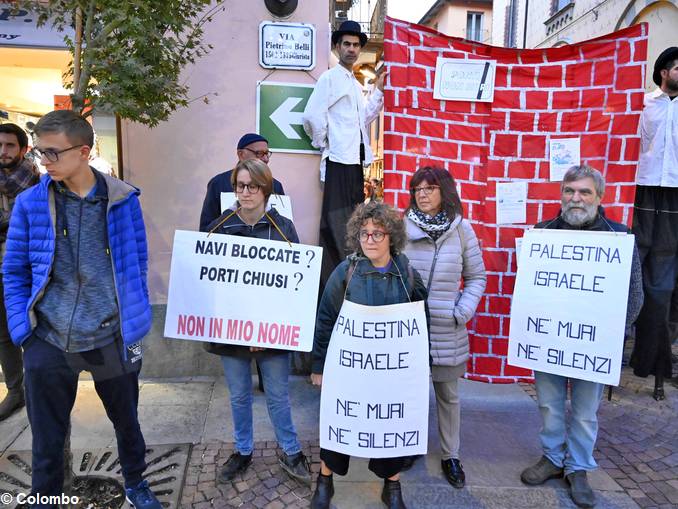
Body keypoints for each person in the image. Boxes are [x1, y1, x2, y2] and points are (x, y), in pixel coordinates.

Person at [3, 110, 162, 508]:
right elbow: (15, 269)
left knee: (126, 422)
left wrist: (132, 317)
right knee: (46, 435)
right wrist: (25, 330)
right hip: (49, 338)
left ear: (84, 152)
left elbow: (136, 262)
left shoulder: (123, 200)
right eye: (40, 152)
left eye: (53, 153)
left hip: (111, 335)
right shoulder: (29, 203)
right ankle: (46, 498)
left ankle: (136, 483)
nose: (44, 162)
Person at [520, 165, 643, 508]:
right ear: (561, 195)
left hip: (592, 344)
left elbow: (635, 294)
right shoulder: (541, 234)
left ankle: (578, 468)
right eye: (569, 191)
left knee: (586, 411)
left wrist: (610, 336)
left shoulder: (619, 238)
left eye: (584, 192)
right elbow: (531, 287)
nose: (576, 198)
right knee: (549, 404)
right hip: (549, 341)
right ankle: (552, 458)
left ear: (599, 197)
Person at [310, 201, 428, 509]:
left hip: (392, 372)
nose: (370, 240)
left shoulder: (408, 275)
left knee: (391, 425)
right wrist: (318, 367)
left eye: (378, 233)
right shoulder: (346, 272)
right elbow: (325, 319)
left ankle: (392, 485)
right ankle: (325, 480)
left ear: (392, 237)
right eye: (364, 233)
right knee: (341, 420)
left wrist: (420, 367)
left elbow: (420, 324)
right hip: (350, 370)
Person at [201, 158, 311, 486]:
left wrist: (264, 328)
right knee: (238, 395)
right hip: (231, 332)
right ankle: (242, 450)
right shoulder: (220, 226)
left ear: (266, 189)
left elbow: (295, 283)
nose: (246, 192)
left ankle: (290, 451)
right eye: (240, 185)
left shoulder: (283, 228)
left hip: (272, 332)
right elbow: (209, 279)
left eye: (253, 186)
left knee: (278, 395)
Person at [403, 167, 486, 487]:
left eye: (429, 188)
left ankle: (451, 455)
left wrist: (462, 310)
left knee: (448, 396)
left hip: (447, 327)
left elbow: (477, 276)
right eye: (417, 189)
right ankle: (410, 446)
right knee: (411, 392)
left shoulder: (462, 229)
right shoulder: (402, 226)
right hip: (410, 327)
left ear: (444, 191)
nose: (422, 194)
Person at [302, 20, 386, 291]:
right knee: (335, 228)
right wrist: (326, 143)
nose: (351, 49)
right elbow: (312, 117)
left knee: (352, 227)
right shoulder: (330, 78)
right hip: (339, 163)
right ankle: (330, 290)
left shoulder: (353, 82)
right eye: (346, 44)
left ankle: (349, 285)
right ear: (337, 47)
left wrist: (380, 91)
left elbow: (364, 121)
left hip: (354, 166)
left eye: (355, 45)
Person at [630, 46, 678, 400]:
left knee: (662, 287)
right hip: (643, 193)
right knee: (631, 276)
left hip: (676, 196)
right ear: (664, 71)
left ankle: (650, 363)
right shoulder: (644, 104)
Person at [0, 123, 40, 421]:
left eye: (10, 146)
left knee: (34, 328)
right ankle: (16, 390)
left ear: (23, 149)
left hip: (28, 267)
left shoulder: (37, 184)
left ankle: (37, 386)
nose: (3, 152)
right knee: (3, 331)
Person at [199, 133, 285, 231]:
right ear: (241, 154)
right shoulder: (218, 183)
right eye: (259, 153)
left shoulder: (276, 186)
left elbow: (283, 229)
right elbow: (205, 231)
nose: (265, 159)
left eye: (267, 153)